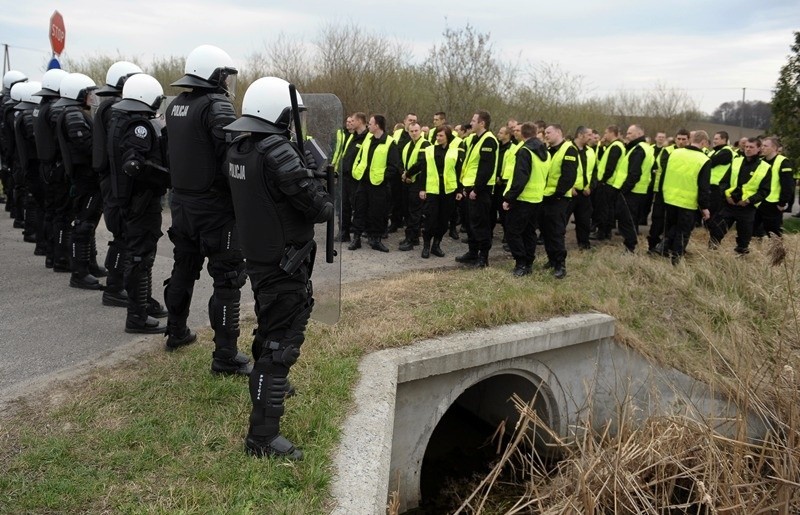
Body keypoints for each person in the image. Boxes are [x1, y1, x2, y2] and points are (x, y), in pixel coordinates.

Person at [223, 77, 333, 459]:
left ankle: (267, 381)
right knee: (281, 344)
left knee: (270, 328)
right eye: (293, 115)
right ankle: (262, 436)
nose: (295, 122)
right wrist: (319, 176)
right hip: (283, 264)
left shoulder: (240, 145)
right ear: (278, 113)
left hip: (260, 257)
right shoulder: (277, 151)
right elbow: (320, 208)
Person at [163, 45, 249, 372]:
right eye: (225, 75)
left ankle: (175, 330)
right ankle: (225, 356)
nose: (228, 83)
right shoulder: (217, 106)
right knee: (228, 279)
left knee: (183, 269)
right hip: (215, 210)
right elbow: (235, 154)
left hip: (182, 205)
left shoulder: (177, 106)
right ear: (213, 74)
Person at [107, 74, 171, 334]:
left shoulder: (124, 119)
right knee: (140, 257)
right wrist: (167, 177)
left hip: (137, 201)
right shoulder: (139, 126)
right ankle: (136, 316)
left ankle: (144, 304)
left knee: (143, 255)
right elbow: (134, 163)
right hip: (141, 202)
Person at [93, 60, 144, 308]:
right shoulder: (115, 108)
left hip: (108, 180)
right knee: (123, 237)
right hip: (115, 182)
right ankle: (114, 287)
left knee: (120, 237)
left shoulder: (106, 106)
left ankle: (115, 285)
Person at [54, 73, 106, 289]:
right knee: (83, 224)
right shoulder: (73, 115)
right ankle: (79, 272)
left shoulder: (77, 112)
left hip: (88, 177)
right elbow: (84, 146)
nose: (91, 97)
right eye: (88, 93)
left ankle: (90, 264)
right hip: (85, 178)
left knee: (90, 222)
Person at [32, 68, 70, 270]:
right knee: (61, 215)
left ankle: (50, 252)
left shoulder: (41, 106)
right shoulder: (54, 108)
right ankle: (61, 258)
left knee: (51, 212)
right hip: (55, 166)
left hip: (45, 166)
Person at [707, 137, 771, 254]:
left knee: (744, 236)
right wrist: (726, 196)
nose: (748, 149)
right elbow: (724, 182)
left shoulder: (765, 167)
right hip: (730, 203)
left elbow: (765, 190)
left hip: (747, 207)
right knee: (717, 229)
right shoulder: (736, 162)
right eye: (746, 146)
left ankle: (741, 256)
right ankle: (710, 254)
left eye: (751, 147)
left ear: (758, 149)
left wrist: (749, 200)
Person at [502, 122, 549, 276]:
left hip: (523, 199)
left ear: (522, 134)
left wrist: (509, 198)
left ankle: (521, 263)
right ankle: (528, 262)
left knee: (512, 232)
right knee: (529, 232)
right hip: (537, 198)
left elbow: (520, 178)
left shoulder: (525, 151)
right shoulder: (545, 151)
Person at [349, 114, 401, 252]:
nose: (368, 126)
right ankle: (357, 238)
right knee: (359, 210)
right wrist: (356, 169)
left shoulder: (389, 142)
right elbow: (360, 156)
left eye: (370, 123)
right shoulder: (367, 138)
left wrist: (383, 177)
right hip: (363, 182)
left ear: (377, 125)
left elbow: (393, 166)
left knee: (377, 213)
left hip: (378, 184)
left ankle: (375, 239)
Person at [658, 130, 711, 264]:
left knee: (672, 226)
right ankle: (676, 259)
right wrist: (704, 207)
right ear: (703, 142)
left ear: (691, 139)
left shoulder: (674, 153)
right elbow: (703, 186)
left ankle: (664, 244)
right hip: (687, 202)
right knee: (683, 232)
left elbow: (664, 174)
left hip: (669, 198)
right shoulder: (704, 160)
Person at [455, 110, 498, 268]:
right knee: (469, 222)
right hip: (468, 187)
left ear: (482, 123)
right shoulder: (474, 139)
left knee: (480, 224)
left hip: (480, 190)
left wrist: (476, 189)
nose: (470, 123)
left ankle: (483, 257)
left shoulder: (488, 141)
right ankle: (472, 252)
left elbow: (486, 169)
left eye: (474, 120)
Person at [416, 125, 465, 258]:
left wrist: (459, 190)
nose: (438, 138)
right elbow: (424, 170)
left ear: (447, 137)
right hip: (432, 190)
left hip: (448, 190)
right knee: (430, 219)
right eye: (437, 135)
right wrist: (422, 188)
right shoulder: (429, 150)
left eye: (441, 136)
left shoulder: (455, 152)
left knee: (443, 221)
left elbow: (458, 171)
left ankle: (436, 245)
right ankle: (426, 245)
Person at [605, 124, 654, 253]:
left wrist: (623, 190)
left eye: (629, 133)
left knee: (626, 221)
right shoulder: (645, 147)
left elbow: (634, 174)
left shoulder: (638, 149)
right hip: (638, 190)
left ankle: (630, 248)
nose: (627, 136)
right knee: (629, 220)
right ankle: (630, 246)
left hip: (631, 191)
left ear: (639, 134)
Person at [540, 124, 578, 278]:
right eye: (544, 133)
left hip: (558, 198)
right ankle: (551, 259)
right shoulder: (549, 151)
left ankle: (560, 265)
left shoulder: (568, 149)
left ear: (558, 133)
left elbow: (568, 177)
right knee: (546, 230)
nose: (546, 135)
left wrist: (557, 194)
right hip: (545, 196)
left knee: (556, 231)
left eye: (548, 132)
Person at [12, 81, 44, 251]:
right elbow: (35, 140)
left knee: (36, 202)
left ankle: (38, 238)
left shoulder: (22, 115)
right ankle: (35, 235)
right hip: (33, 165)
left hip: (28, 163)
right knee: (36, 202)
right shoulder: (28, 117)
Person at [398, 121, 430, 251]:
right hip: (408, 182)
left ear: (420, 131)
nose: (414, 133)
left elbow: (421, 163)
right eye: (411, 131)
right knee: (408, 211)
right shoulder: (408, 145)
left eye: (416, 131)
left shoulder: (425, 144)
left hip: (418, 182)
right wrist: (403, 174)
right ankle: (413, 237)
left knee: (414, 213)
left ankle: (411, 240)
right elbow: (401, 161)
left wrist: (408, 174)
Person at [590, 125, 625, 241]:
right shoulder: (613, 146)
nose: (604, 135)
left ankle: (602, 232)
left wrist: (603, 180)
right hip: (610, 183)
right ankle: (606, 232)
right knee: (608, 209)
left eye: (606, 133)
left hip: (608, 183)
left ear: (612, 133)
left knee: (603, 209)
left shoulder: (615, 147)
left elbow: (610, 166)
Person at [755, 136, 795, 237]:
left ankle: (778, 252)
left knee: (773, 233)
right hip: (758, 200)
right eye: (762, 145)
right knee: (752, 230)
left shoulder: (783, 162)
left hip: (773, 203)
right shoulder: (760, 161)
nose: (762, 148)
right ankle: (755, 250)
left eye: (765, 146)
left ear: (774, 148)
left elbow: (788, 185)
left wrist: (782, 202)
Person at [339, 112, 368, 244]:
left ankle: (357, 236)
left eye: (353, 120)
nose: (350, 122)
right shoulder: (352, 136)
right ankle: (344, 233)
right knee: (344, 206)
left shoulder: (367, 138)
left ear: (360, 121)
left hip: (357, 179)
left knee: (358, 208)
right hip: (345, 176)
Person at [568, 126, 596, 250]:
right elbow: (561, 171)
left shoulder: (590, 151)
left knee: (584, 222)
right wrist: (569, 187)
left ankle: (584, 246)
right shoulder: (567, 149)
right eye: (589, 135)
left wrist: (591, 187)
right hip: (570, 192)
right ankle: (556, 247)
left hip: (585, 193)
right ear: (580, 135)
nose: (591, 137)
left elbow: (594, 172)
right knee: (561, 221)